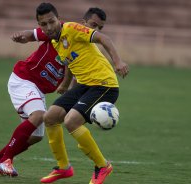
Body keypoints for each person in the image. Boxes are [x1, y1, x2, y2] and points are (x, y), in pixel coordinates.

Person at [0, 4, 109, 177]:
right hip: (24, 80)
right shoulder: (59, 30)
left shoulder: (85, 51)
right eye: (92, 25)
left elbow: (73, 75)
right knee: (38, 115)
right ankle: (6, 160)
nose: (93, 29)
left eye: (99, 28)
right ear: (82, 22)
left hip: (39, 90)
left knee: (36, 136)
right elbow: (33, 33)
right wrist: (23, 37)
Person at [36, 3, 129, 184]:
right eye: (43, 24)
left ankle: (103, 165)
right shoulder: (56, 41)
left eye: (51, 22)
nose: (48, 27)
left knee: (71, 121)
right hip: (85, 84)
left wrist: (118, 62)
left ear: (58, 20)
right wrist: (65, 85)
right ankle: (63, 168)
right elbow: (71, 61)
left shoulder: (71, 28)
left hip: (104, 85)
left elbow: (104, 39)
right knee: (50, 117)